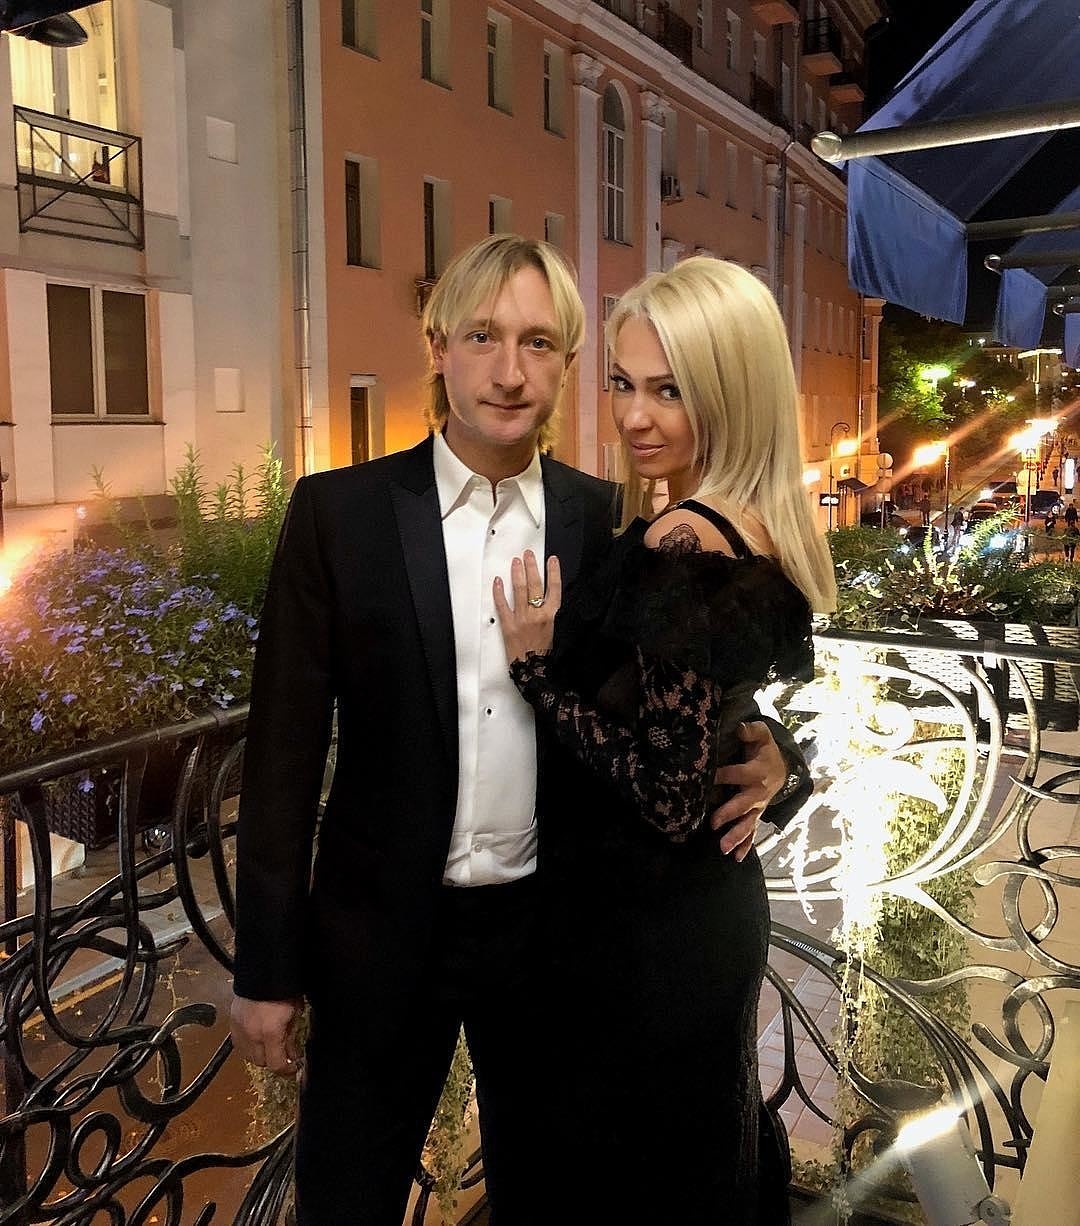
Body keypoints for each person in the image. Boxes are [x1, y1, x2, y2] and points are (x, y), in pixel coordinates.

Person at [229, 235, 810, 1225]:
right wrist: (266, 971)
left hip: (558, 946)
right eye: (482, 336)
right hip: (381, 940)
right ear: (437, 347)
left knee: (545, 1203)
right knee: (345, 1200)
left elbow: (694, 696)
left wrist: (783, 765)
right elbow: (280, 759)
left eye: (538, 342)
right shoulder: (338, 514)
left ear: (568, 361)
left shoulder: (611, 520)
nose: (509, 371)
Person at [493, 256, 835, 1225]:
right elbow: (710, 710)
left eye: (670, 390)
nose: (636, 415)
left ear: (731, 393)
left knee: (641, 1177)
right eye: (624, 382)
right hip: (687, 913)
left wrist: (534, 672)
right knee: (691, 1156)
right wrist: (781, 759)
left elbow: (669, 794)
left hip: (645, 929)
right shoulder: (747, 520)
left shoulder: (688, 535)